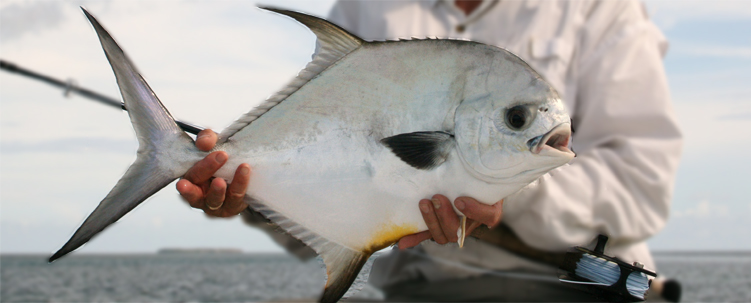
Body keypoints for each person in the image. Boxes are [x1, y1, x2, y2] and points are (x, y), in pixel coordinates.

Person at [177, 0, 682, 300]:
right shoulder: (366, 6)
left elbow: (643, 182)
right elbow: (340, 175)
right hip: (421, 293)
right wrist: (244, 192)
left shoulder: (599, 10)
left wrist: (512, 199)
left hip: (585, 292)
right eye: (517, 119)